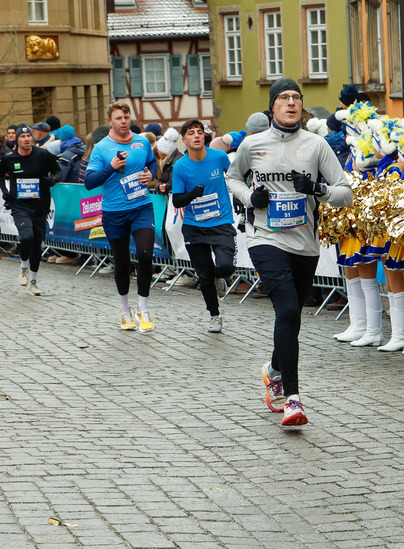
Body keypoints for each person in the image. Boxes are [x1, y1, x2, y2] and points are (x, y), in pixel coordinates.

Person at [226, 77, 353, 427]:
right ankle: (292, 399)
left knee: (292, 315)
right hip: (264, 238)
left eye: (296, 97)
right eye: (284, 97)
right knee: (287, 308)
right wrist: (250, 197)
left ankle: (273, 368)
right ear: (272, 107)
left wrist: (317, 189)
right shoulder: (252, 144)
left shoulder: (316, 145)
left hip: (304, 243)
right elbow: (232, 178)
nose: (291, 103)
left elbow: (345, 192)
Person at [84, 101, 160, 333]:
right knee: (122, 261)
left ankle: (143, 309)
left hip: (141, 207)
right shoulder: (101, 148)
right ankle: (125, 310)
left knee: (145, 254)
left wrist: (150, 175)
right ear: (110, 121)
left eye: (126, 117)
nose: (124, 121)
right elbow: (89, 182)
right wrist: (111, 167)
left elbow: (152, 163)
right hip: (114, 212)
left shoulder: (142, 142)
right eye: (118, 118)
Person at [171, 119, 236, 333]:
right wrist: (192, 195)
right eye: (191, 133)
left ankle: (220, 276)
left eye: (199, 132)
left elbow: (235, 177)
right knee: (204, 276)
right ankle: (214, 315)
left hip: (221, 222)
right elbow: (177, 201)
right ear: (184, 140)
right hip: (195, 226)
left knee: (226, 266)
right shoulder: (180, 166)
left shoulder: (219, 157)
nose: (196, 135)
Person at [1, 123, 61, 295]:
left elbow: (58, 172)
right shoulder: (9, 158)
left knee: (37, 243)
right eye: (22, 136)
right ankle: (23, 268)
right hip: (19, 205)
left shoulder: (43, 155)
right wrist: (5, 192)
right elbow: (0, 175)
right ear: (17, 139)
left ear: (32, 138)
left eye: (28, 136)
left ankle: (33, 281)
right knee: (27, 236)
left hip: (40, 205)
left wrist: (53, 180)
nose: (26, 139)